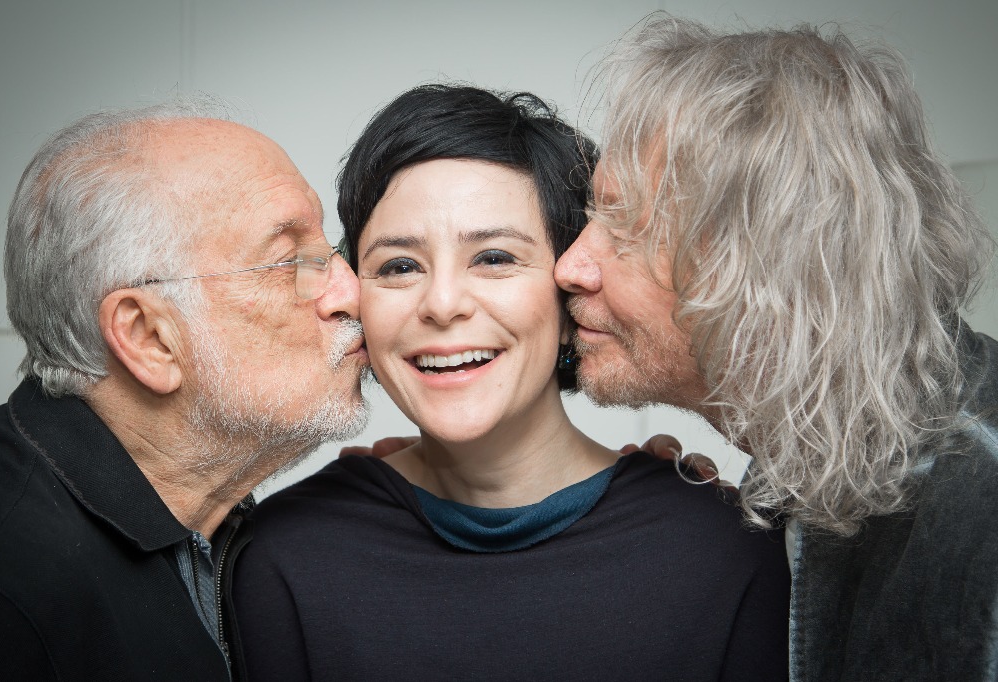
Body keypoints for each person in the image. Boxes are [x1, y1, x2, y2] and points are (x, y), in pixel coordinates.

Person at [233, 84, 790, 681]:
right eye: (399, 266)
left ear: (570, 286)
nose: (442, 304)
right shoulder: (281, 556)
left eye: (494, 258)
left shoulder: (724, 547)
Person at [552, 15, 998, 682]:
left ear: (766, 264)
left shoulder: (981, 512)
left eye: (624, 226)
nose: (570, 267)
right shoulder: (800, 467)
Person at [0, 102, 369, 680]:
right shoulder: (4, 593)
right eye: (291, 261)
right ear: (149, 337)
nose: (352, 293)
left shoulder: (215, 528)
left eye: (329, 252)